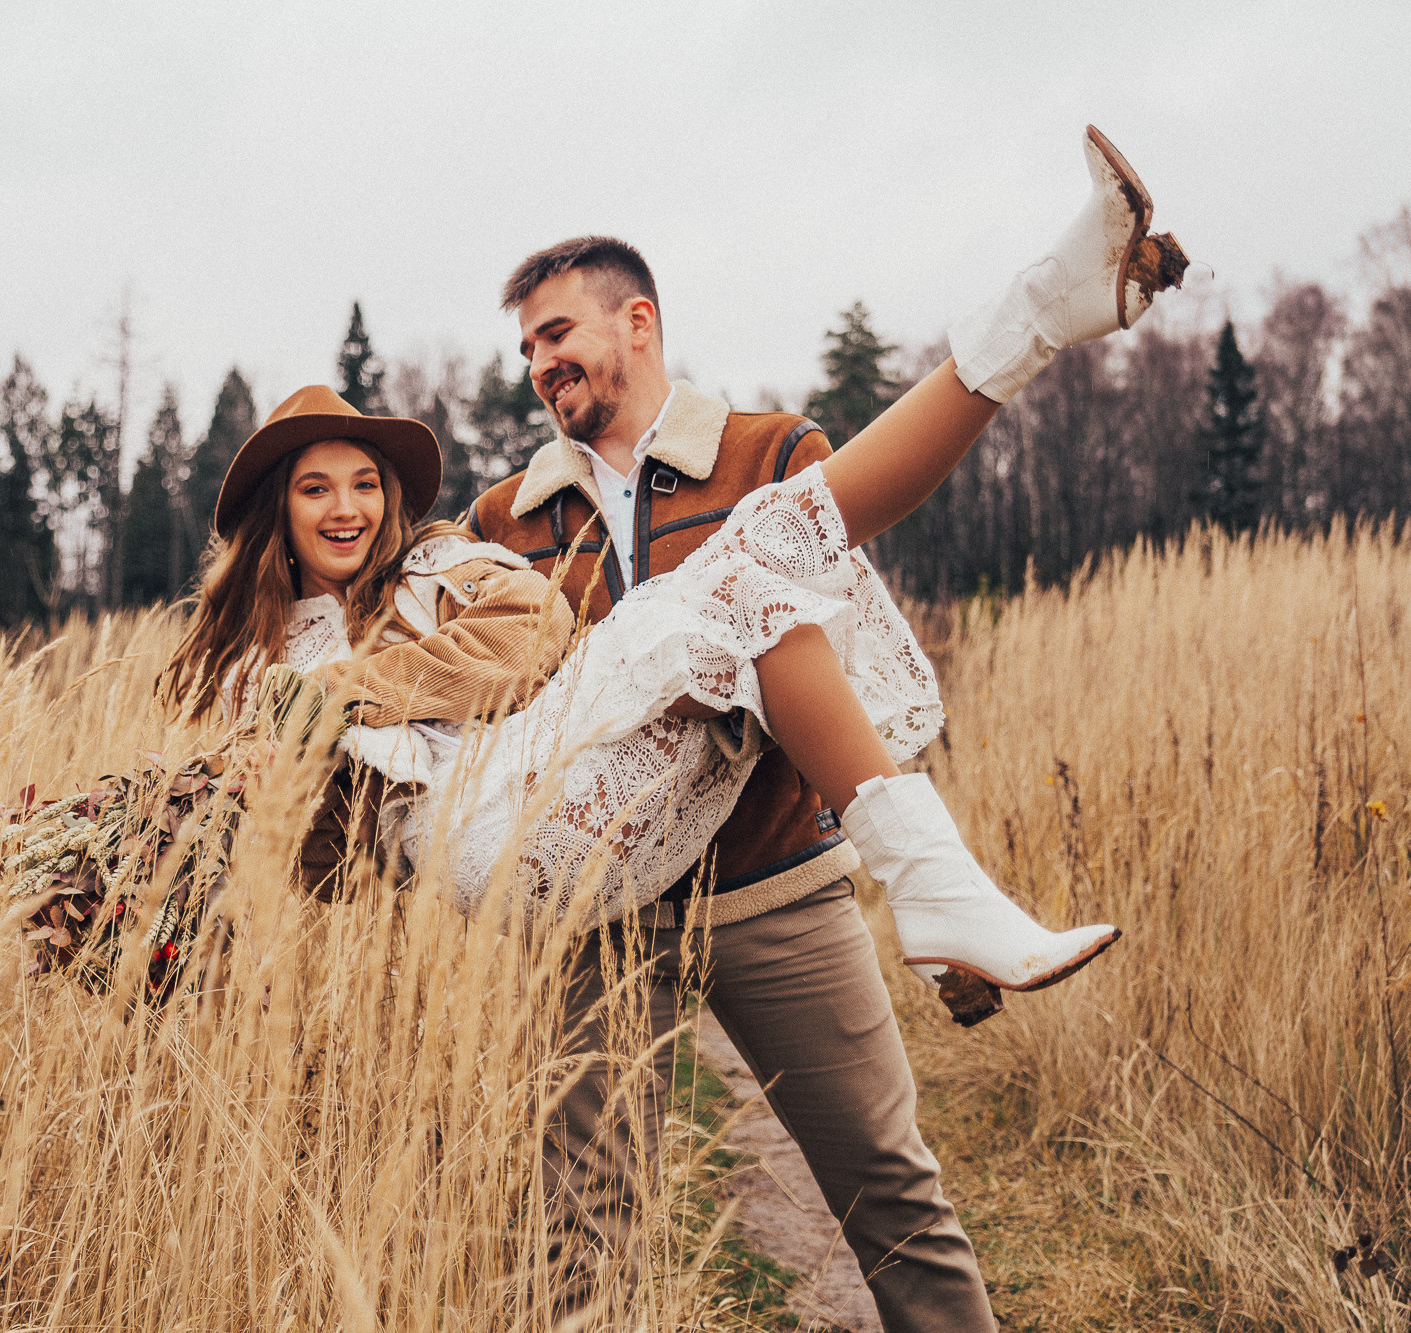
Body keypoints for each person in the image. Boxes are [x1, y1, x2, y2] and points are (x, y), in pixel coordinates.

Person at [457, 126, 1186, 1327]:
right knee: (581, 1235)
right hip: (595, 913)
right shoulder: (509, 517)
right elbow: (492, 701)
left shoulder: (762, 454)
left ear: (636, 322)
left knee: (891, 1199)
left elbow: (832, 654)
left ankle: (937, 890)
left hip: (771, 885)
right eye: (527, 346)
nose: (540, 363)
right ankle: (1045, 308)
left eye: (558, 333)